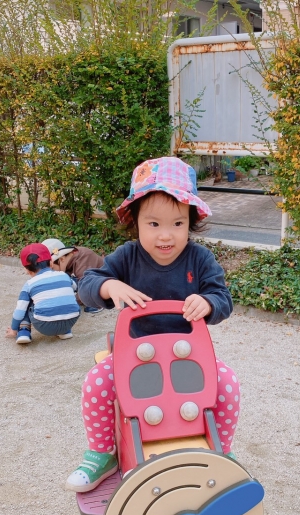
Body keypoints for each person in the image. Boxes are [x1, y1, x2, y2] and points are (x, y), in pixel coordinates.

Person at [65, 156, 241, 493]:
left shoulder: (199, 259)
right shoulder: (127, 257)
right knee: (97, 384)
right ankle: (102, 453)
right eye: (154, 224)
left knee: (228, 384)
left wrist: (208, 303)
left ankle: (222, 451)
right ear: (136, 222)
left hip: (188, 356)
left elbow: (223, 298)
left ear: (191, 222)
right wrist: (109, 286)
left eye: (178, 223)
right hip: (135, 357)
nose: (166, 235)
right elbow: (87, 285)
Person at [5, 243, 81, 344]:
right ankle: (64, 332)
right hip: (71, 321)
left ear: (26, 270)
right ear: (51, 262)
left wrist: (14, 329)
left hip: (44, 326)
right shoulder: (64, 275)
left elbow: (19, 312)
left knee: (26, 303)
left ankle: (23, 332)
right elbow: (75, 287)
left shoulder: (29, 284)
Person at [41, 238, 104, 314]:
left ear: (61, 259)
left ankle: (97, 303)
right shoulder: (68, 260)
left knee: (85, 293)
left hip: (100, 281)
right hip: (82, 279)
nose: (52, 272)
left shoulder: (83, 262)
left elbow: (85, 288)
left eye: (52, 269)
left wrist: (66, 302)